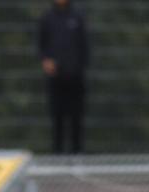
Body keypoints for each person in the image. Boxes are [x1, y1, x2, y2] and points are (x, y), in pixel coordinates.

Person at [38, 0, 89, 154]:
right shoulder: (47, 18)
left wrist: (79, 67)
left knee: (76, 119)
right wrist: (46, 61)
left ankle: (77, 156)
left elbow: (85, 47)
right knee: (57, 119)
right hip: (55, 79)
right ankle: (57, 157)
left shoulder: (77, 17)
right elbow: (41, 46)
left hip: (75, 78)